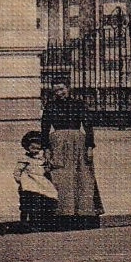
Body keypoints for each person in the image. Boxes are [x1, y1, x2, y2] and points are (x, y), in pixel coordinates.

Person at [42, 80, 103, 227]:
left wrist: (89, 147)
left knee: (83, 176)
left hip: (78, 144)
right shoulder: (50, 106)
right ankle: (64, 213)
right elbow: (44, 127)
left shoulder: (79, 104)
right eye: (55, 90)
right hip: (58, 144)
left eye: (61, 89)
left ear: (68, 88)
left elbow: (88, 125)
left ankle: (84, 212)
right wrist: (46, 149)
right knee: (61, 177)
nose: (59, 93)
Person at [14, 131, 59, 230]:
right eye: (32, 148)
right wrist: (19, 179)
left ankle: (38, 222)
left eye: (38, 149)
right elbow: (17, 170)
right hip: (28, 183)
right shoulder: (25, 159)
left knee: (43, 199)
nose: (35, 151)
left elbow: (46, 169)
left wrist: (48, 167)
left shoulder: (41, 159)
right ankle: (24, 222)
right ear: (27, 147)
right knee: (26, 204)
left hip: (39, 182)